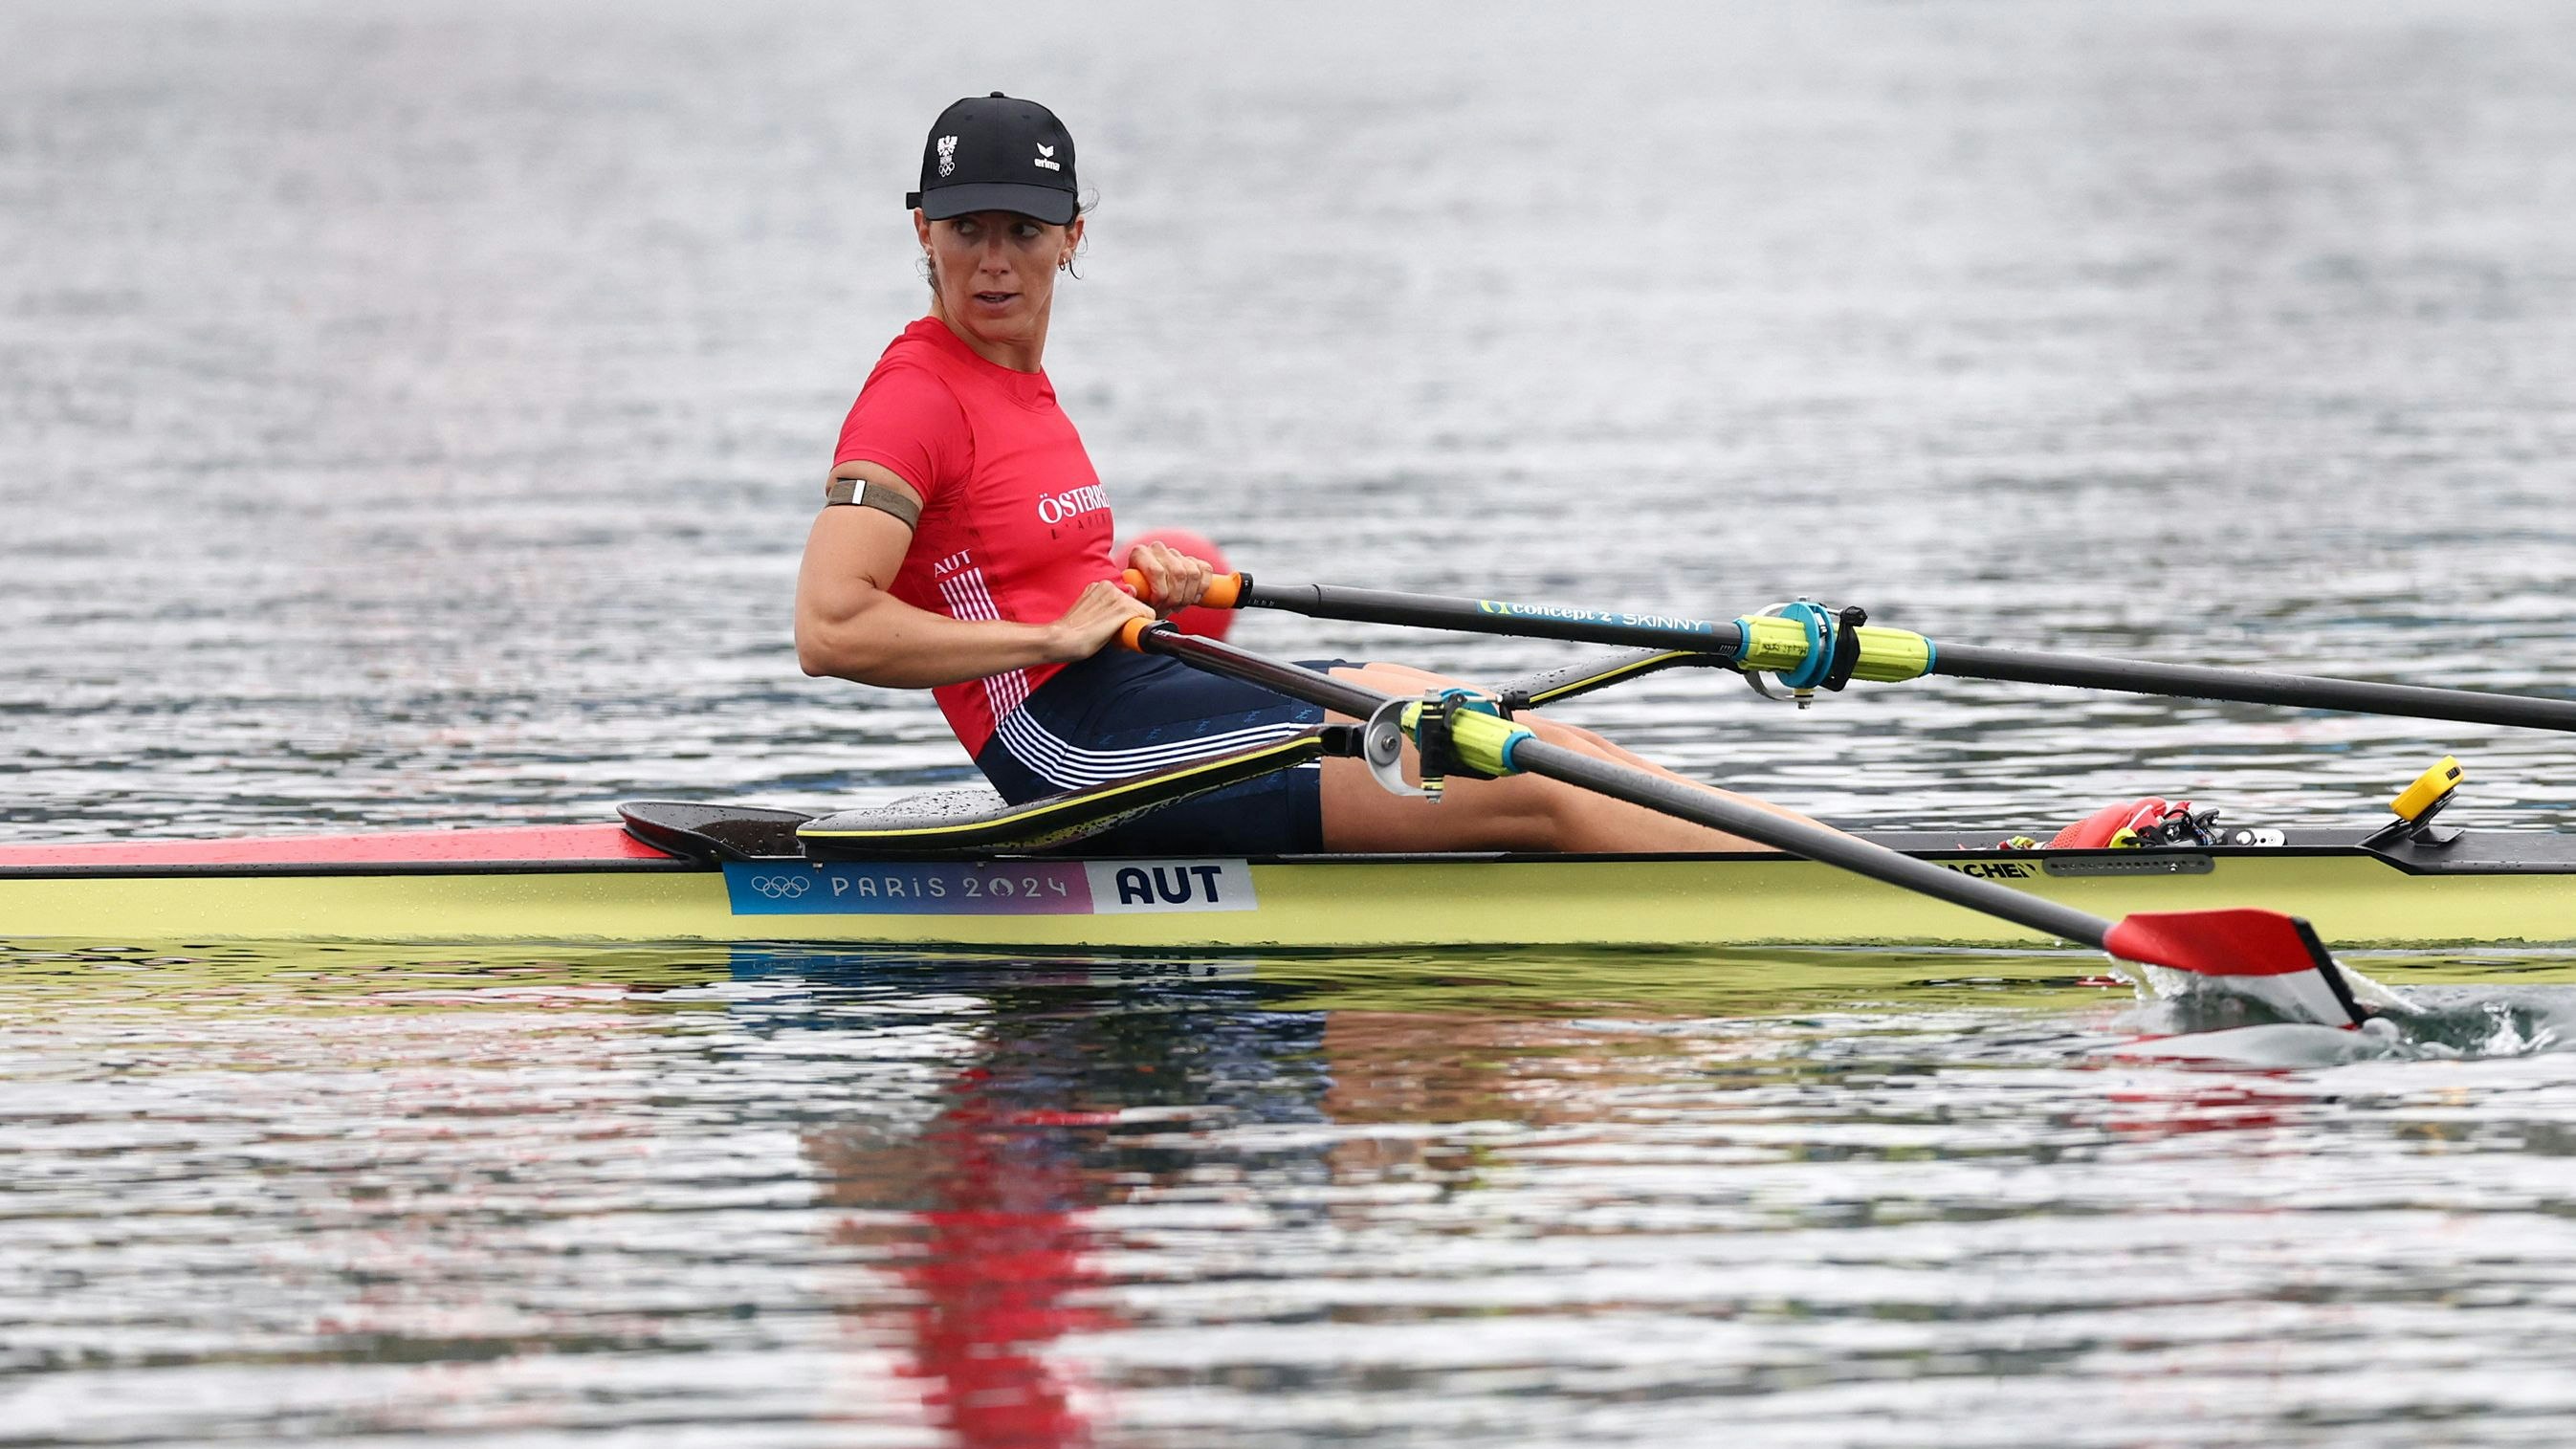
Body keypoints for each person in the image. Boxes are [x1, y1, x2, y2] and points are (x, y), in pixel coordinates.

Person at [795, 93, 1814, 856]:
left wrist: (1134, 575)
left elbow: (1003, 552)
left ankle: (1835, 854)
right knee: (1532, 789)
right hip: (1062, 746)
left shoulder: (1017, 378)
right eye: (965, 229)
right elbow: (830, 627)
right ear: (921, 229)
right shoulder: (913, 396)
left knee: (1527, 734)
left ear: (1072, 237)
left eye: (1021, 230)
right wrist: (1049, 635)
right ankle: (1819, 901)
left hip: (1137, 684)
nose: (993, 261)